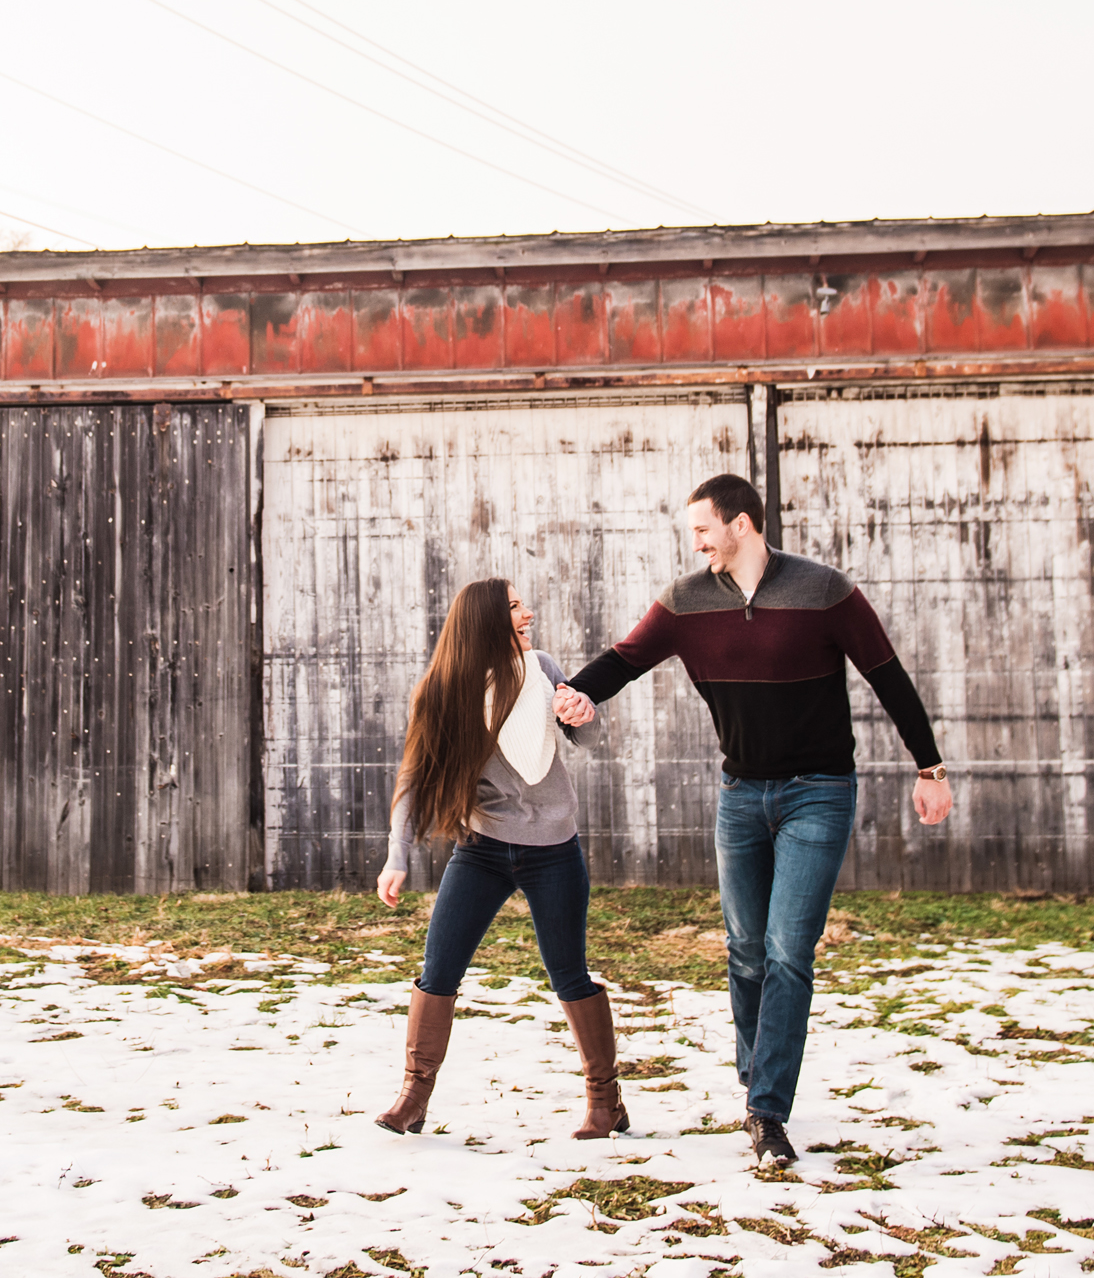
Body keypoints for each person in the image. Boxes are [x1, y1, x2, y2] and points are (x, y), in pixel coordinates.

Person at [553, 474, 950, 1165]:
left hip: (818, 793)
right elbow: (622, 660)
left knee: (788, 951)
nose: (697, 541)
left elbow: (889, 675)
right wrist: (575, 696)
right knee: (744, 949)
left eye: (704, 529)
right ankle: (759, 1074)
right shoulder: (686, 602)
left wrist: (930, 767)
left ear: (743, 524)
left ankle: (767, 1111)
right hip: (741, 796)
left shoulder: (825, 592)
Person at [373, 577, 629, 1141]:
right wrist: (397, 857)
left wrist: (581, 711)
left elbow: (583, 738)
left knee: (569, 974)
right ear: (487, 620)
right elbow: (413, 780)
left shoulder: (541, 668)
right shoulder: (443, 692)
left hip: (553, 852)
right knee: (438, 971)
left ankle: (605, 1101)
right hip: (482, 849)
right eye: (515, 607)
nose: (528, 614)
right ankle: (413, 1099)